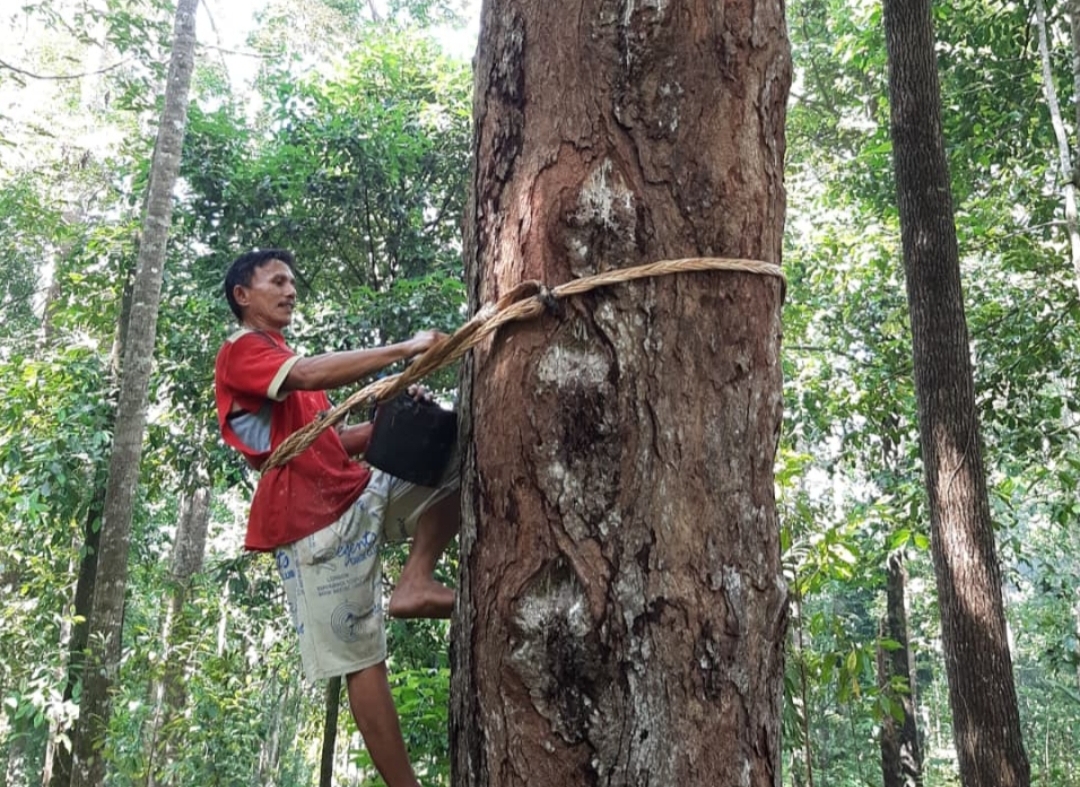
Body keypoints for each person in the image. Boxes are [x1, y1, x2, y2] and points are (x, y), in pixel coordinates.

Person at [213, 248, 459, 787]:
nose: (289, 290)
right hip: (310, 526)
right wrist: (406, 347)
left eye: (292, 282)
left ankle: (416, 583)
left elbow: (333, 444)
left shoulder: (282, 360)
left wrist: (393, 416)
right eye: (277, 281)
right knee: (360, 659)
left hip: (354, 490)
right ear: (243, 296)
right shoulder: (244, 352)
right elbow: (302, 376)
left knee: (457, 457)